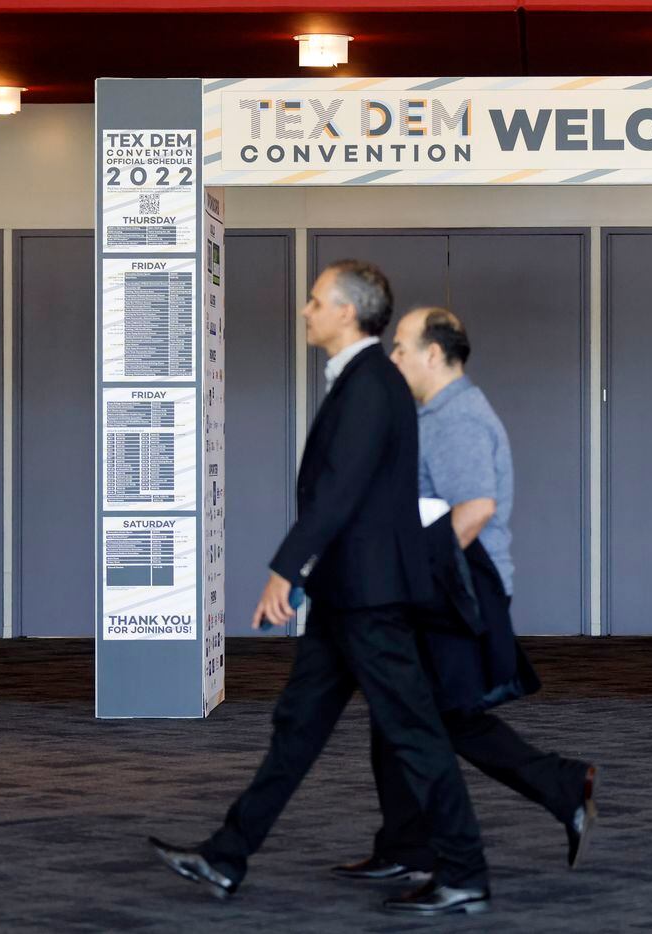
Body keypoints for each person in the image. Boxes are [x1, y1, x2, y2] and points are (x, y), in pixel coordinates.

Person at [149, 261, 491, 916]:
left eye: (314, 301)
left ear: (345, 313)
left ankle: (466, 871)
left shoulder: (370, 384)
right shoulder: (360, 381)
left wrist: (286, 567)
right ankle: (227, 855)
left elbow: (340, 490)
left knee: (414, 733)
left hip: (371, 596)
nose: (304, 310)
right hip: (346, 594)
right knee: (297, 728)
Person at [328, 307, 599, 883]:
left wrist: (400, 572)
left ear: (433, 353)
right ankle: (406, 845)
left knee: (443, 718)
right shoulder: (436, 414)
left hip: (451, 593)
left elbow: (473, 511)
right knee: (398, 714)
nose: (392, 357)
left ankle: (560, 786)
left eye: (401, 346)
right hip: (437, 588)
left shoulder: (457, 419)